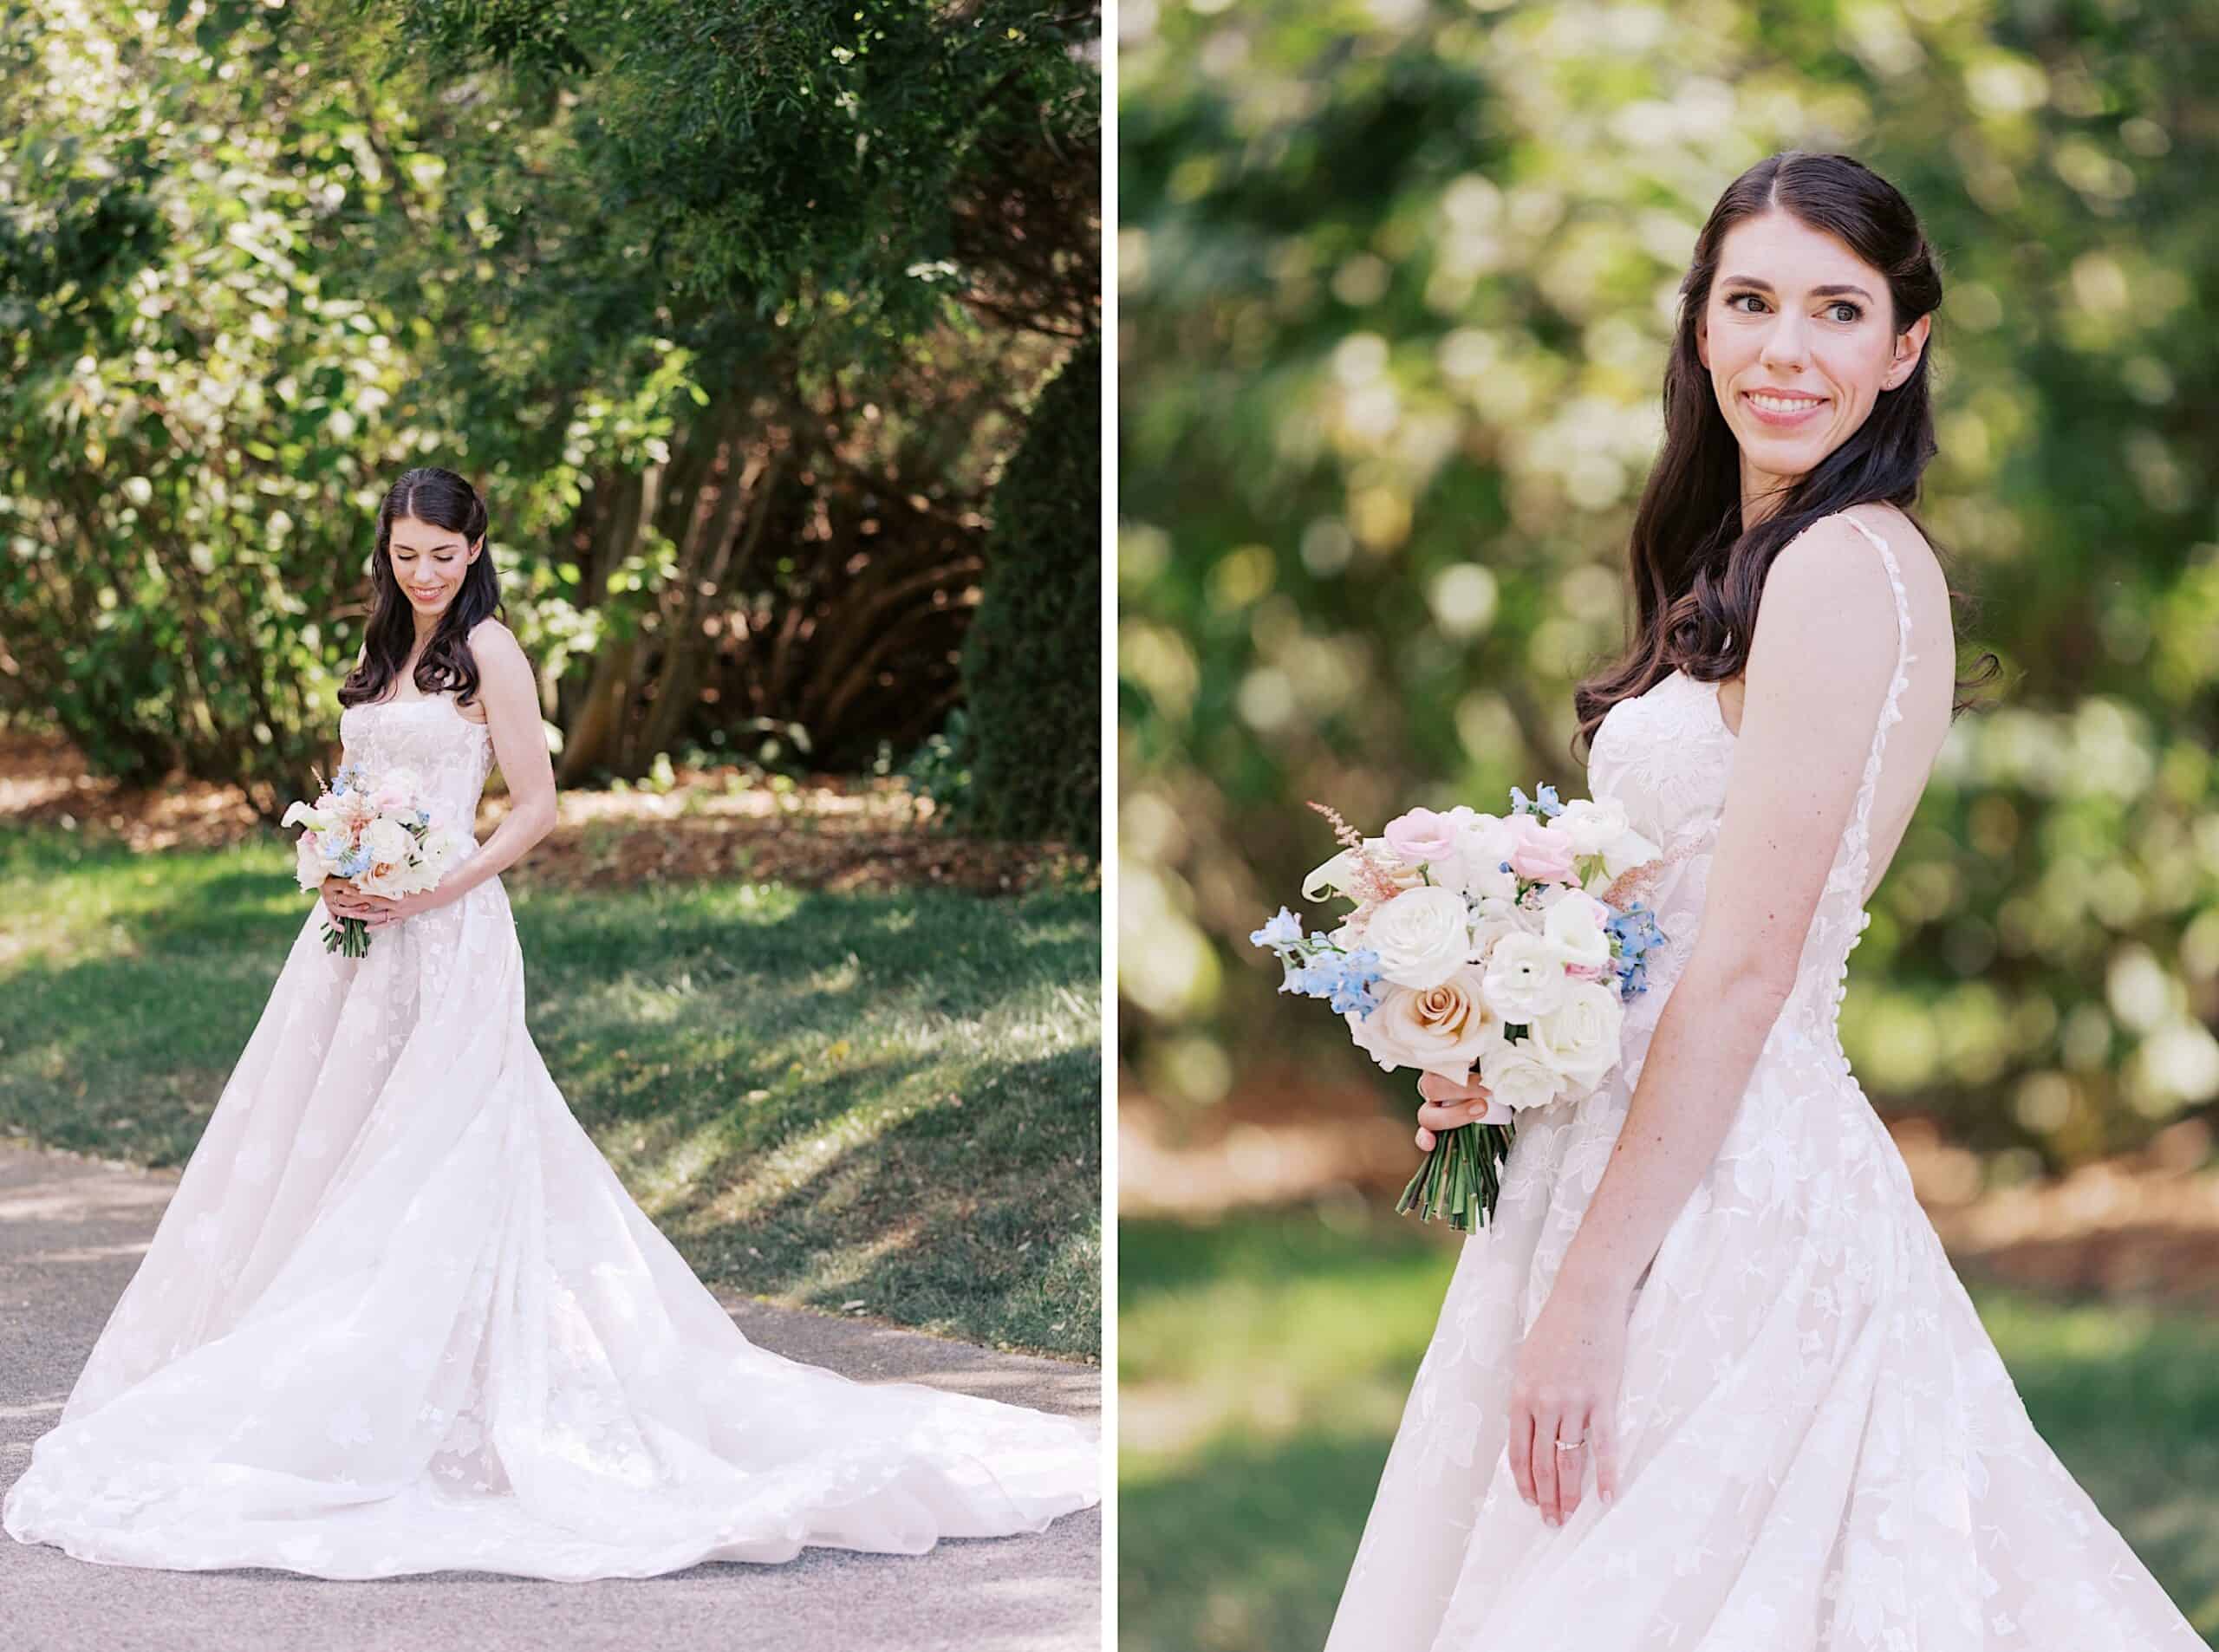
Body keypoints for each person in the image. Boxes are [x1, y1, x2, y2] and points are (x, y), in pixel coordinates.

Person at [1322, 153, 2203, 1649]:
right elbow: (1659, 929)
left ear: (1903, 346)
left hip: (1729, 1200)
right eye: (1752, 302)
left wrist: (1595, 1286)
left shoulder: (1850, 568)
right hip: (1632, 1146)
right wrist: (1514, 1040)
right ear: (1703, 328)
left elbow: (1744, 969)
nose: (1788, 348)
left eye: (1837, 309)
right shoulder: (1747, 561)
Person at [2, 466, 1097, 1580]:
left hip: (451, 926)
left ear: (475, 549)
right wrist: (332, 864)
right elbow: (352, 784)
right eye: (404, 553)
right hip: (354, 943)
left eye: (441, 553)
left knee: (443, 1147)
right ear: (384, 551)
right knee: (328, 1144)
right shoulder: (380, 657)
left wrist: (434, 885)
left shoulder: (492, 651)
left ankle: (467, 1378)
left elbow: (535, 806)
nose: (421, 571)